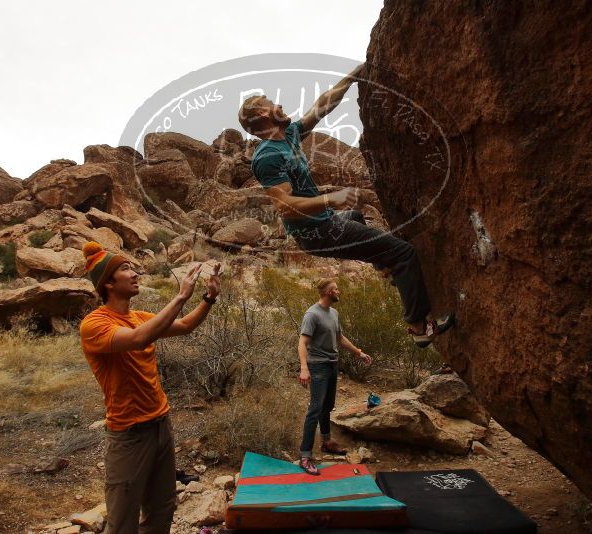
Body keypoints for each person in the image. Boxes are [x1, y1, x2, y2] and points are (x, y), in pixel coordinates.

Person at [238, 63, 454, 347]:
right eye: (272, 103)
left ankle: (383, 267)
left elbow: (321, 106)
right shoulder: (267, 157)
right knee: (404, 253)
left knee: (354, 215)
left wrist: (353, 77)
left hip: (326, 223)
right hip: (317, 233)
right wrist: (331, 198)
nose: (279, 104)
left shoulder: (288, 135)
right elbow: (285, 207)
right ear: (263, 115)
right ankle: (418, 327)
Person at [78, 241, 221, 534]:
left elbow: (183, 327)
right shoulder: (95, 325)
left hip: (160, 426)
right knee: (122, 521)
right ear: (107, 283)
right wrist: (181, 295)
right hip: (128, 435)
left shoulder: (139, 316)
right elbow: (138, 339)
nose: (135, 273)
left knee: (161, 511)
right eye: (125, 268)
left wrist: (208, 298)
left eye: (132, 267)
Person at [297, 278, 373, 475]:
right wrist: (304, 368)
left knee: (327, 406)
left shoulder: (334, 313)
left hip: (332, 365)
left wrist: (359, 352)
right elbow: (302, 343)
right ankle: (305, 456)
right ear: (329, 292)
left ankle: (326, 441)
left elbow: (339, 338)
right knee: (315, 409)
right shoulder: (312, 314)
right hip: (318, 366)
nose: (339, 291)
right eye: (336, 289)